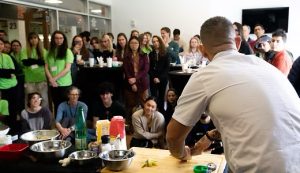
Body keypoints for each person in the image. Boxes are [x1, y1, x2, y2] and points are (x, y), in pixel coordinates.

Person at [166, 16, 300, 173]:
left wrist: (184, 154)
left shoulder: (204, 76)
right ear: (237, 41)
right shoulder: (266, 67)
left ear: (202, 50)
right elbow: (257, 119)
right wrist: (210, 136)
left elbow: (173, 137)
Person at [45, 30, 73, 114]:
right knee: (56, 105)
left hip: (64, 84)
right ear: (53, 39)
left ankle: (66, 125)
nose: (59, 40)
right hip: (53, 84)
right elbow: (46, 67)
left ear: (64, 40)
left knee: (65, 105)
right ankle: (58, 124)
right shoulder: (49, 52)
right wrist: (51, 79)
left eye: (61, 38)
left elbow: (67, 69)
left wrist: (54, 79)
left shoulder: (68, 51)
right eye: (56, 38)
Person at [21, 32, 49, 108]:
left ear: (38, 39)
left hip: (41, 78)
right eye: (31, 38)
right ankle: (29, 116)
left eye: (35, 38)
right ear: (29, 40)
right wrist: (38, 61)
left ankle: (44, 116)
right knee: (29, 98)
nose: (33, 40)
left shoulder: (43, 51)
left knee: (43, 98)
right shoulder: (25, 50)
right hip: (29, 80)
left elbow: (44, 62)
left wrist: (31, 60)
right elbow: (26, 62)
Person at [148, 35, 169, 111]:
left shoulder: (166, 53)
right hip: (153, 78)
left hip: (162, 78)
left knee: (161, 96)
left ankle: (162, 112)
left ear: (160, 42)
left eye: (157, 41)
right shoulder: (151, 53)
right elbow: (149, 68)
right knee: (154, 96)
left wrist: (159, 78)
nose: (156, 43)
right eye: (154, 42)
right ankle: (154, 111)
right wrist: (154, 77)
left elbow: (167, 68)